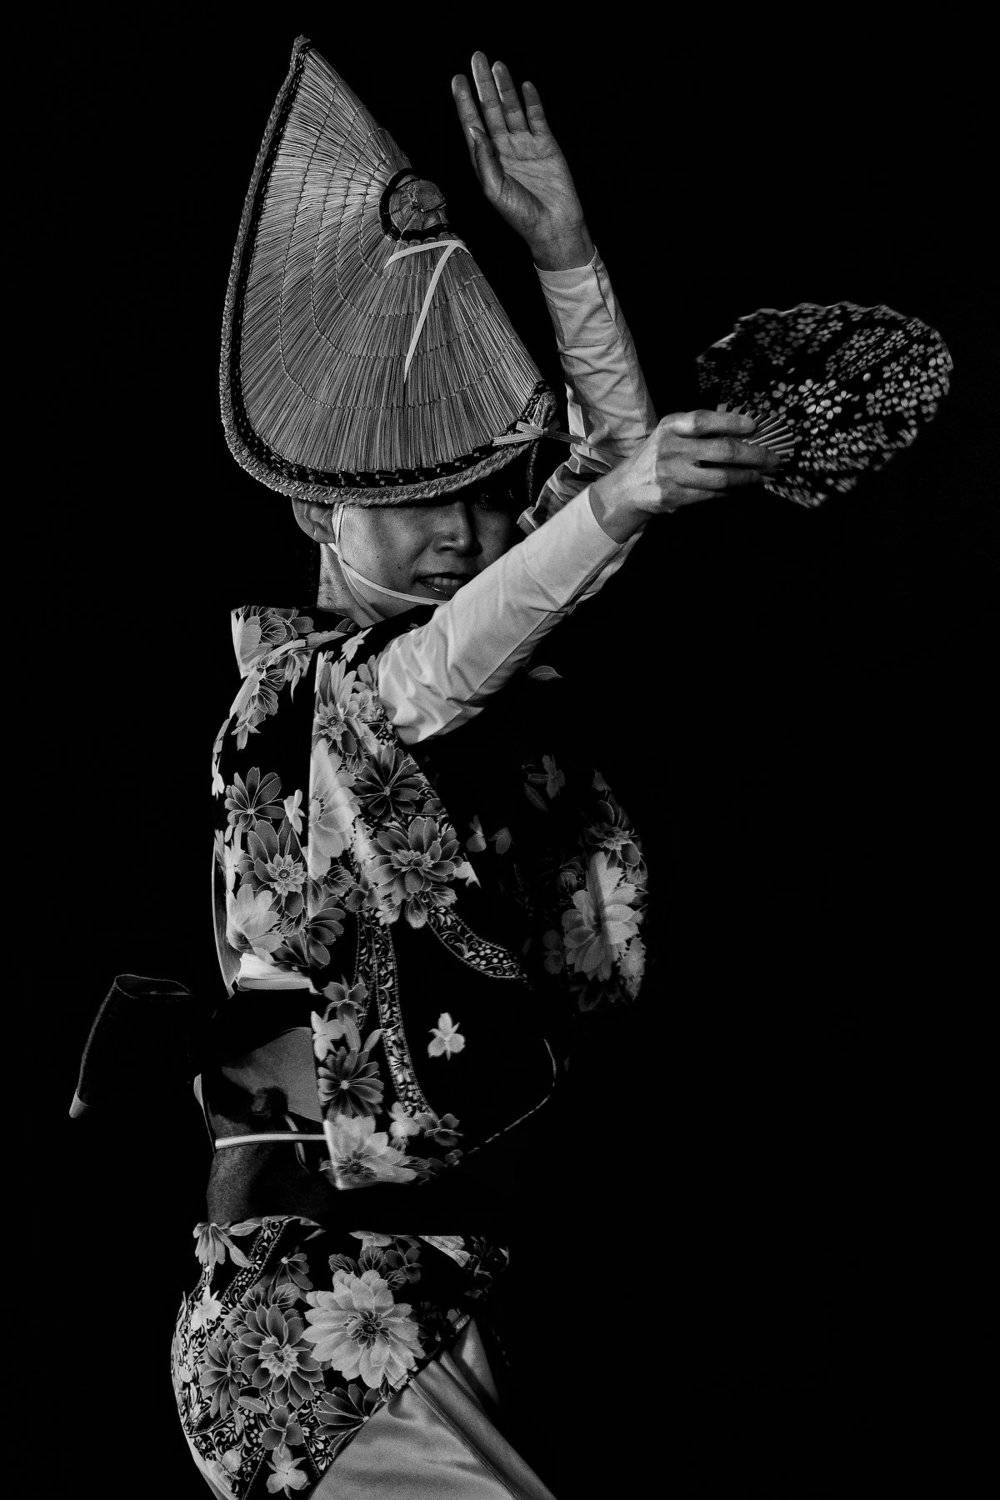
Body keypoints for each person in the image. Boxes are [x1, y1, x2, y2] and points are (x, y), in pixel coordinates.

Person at [159, 47, 782, 1499]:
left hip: (424, 1302)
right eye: (417, 500)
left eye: (488, 502)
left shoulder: (453, 674)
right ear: (316, 508)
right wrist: (619, 500)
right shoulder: (298, 707)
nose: (464, 531)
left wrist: (565, 254)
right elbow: (452, 657)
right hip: (316, 1333)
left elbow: (606, 497)